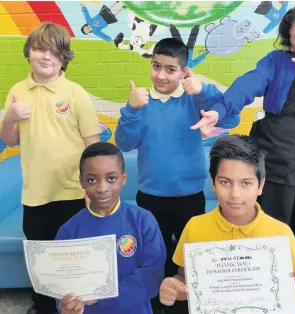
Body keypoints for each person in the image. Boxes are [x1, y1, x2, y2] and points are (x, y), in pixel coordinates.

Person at [192, 5, 295, 258]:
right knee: (270, 244)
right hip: (273, 169)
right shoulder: (277, 62)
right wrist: (218, 110)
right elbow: (248, 83)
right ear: (291, 45)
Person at [114, 37, 239, 314]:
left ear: (183, 72)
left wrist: (204, 89)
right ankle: (157, 304)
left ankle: (187, 303)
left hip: (189, 197)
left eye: (170, 69)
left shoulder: (195, 98)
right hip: (150, 197)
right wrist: (131, 109)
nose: (160, 75)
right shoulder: (141, 101)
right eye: (156, 66)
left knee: (189, 256)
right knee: (154, 257)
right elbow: (123, 144)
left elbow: (231, 119)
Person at [0, 22, 100, 314]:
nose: (45, 56)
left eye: (54, 52)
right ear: (28, 52)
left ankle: (78, 305)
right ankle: (42, 305)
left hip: (72, 191)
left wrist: (92, 189)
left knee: (75, 255)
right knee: (40, 255)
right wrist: (10, 117)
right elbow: (9, 139)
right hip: (35, 194)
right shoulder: (18, 91)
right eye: (39, 48)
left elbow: (92, 145)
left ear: (63, 58)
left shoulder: (75, 92)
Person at [159, 135, 295, 312]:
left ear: (260, 185)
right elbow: (185, 280)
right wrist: (174, 286)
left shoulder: (281, 233)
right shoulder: (195, 227)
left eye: (246, 183)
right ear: (213, 183)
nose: (235, 194)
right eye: (225, 182)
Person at [56, 142, 166, 314]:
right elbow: (62, 285)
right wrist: (65, 306)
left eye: (111, 179)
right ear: (82, 181)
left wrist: (101, 298)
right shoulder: (69, 231)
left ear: (123, 179)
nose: (102, 188)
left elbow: (152, 277)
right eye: (92, 180)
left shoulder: (143, 220)